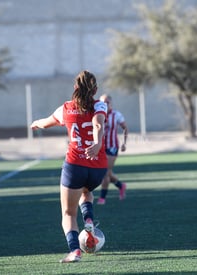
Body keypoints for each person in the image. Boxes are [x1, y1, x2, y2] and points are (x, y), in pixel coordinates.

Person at [30, 70, 107, 263]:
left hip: (74, 166)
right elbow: (98, 124)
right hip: (98, 167)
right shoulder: (100, 105)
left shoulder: (65, 108)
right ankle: (88, 220)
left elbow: (46, 123)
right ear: (95, 89)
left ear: (75, 88)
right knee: (86, 191)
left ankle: (75, 251)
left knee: (68, 213)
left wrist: (36, 124)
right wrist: (97, 145)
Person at [96, 94, 128, 205]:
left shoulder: (116, 115)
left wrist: (124, 143)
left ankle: (102, 198)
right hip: (99, 147)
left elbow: (125, 128)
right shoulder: (97, 114)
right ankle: (121, 185)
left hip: (112, 146)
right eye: (102, 102)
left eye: (107, 102)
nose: (105, 104)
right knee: (103, 172)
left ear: (111, 103)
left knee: (105, 172)